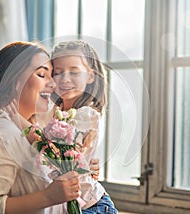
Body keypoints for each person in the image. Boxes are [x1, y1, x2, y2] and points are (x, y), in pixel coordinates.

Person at [0, 41, 83, 214]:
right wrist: (49, 197)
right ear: (14, 80)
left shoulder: (26, 131)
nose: (53, 84)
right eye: (41, 74)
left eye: (51, 75)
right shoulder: (0, 135)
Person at [50, 40, 118, 213]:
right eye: (57, 73)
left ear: (90, 76)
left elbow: (60, 159)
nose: (65, 79)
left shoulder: (86, 114)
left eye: (74, 72)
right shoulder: (55, 111)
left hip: (90, 206)